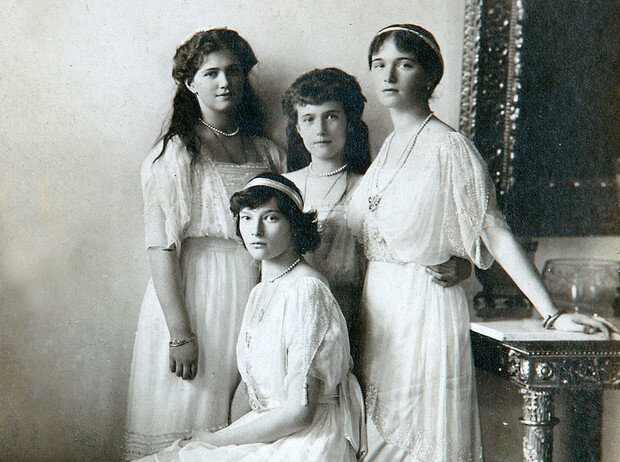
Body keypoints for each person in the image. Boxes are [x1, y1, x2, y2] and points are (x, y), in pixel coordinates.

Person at [347, 24, 619, 461]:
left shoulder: (450, 148)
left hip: (422, 307)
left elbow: (494, 231)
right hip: (377, 311)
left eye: (404, 64)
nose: (389, 76)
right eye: (379, 65)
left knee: (416, 442)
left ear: (430, 75)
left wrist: (551, 314)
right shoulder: (389, 146)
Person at [123, 29, 285, 460]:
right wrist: (180, 334)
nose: (224, 82)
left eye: (233, 71)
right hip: (197, 295)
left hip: (253, 291)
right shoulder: (175, 154)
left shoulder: (268, 152)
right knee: (190, 415)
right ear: (190, 83)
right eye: (210, 73)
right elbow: (161, 247)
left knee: (243, 423)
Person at [138, 172, 366, 461]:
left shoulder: (306, 290)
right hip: (271, 430)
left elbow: (300, 412)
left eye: (271, 218)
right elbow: (251, 393)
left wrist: (213, 440)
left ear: (295, 226)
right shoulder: (260, 291)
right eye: (246, 218)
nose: (255, 230)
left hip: (307, 439)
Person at [281, 67, 472, 336]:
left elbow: (410, 244)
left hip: (366, 313)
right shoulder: (284, 187)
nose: (320, 130)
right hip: (296, 315)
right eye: (309, 119)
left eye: (331, 116)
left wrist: (462, 266)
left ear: (350, 122)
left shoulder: (374, 185)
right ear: (298, 127)